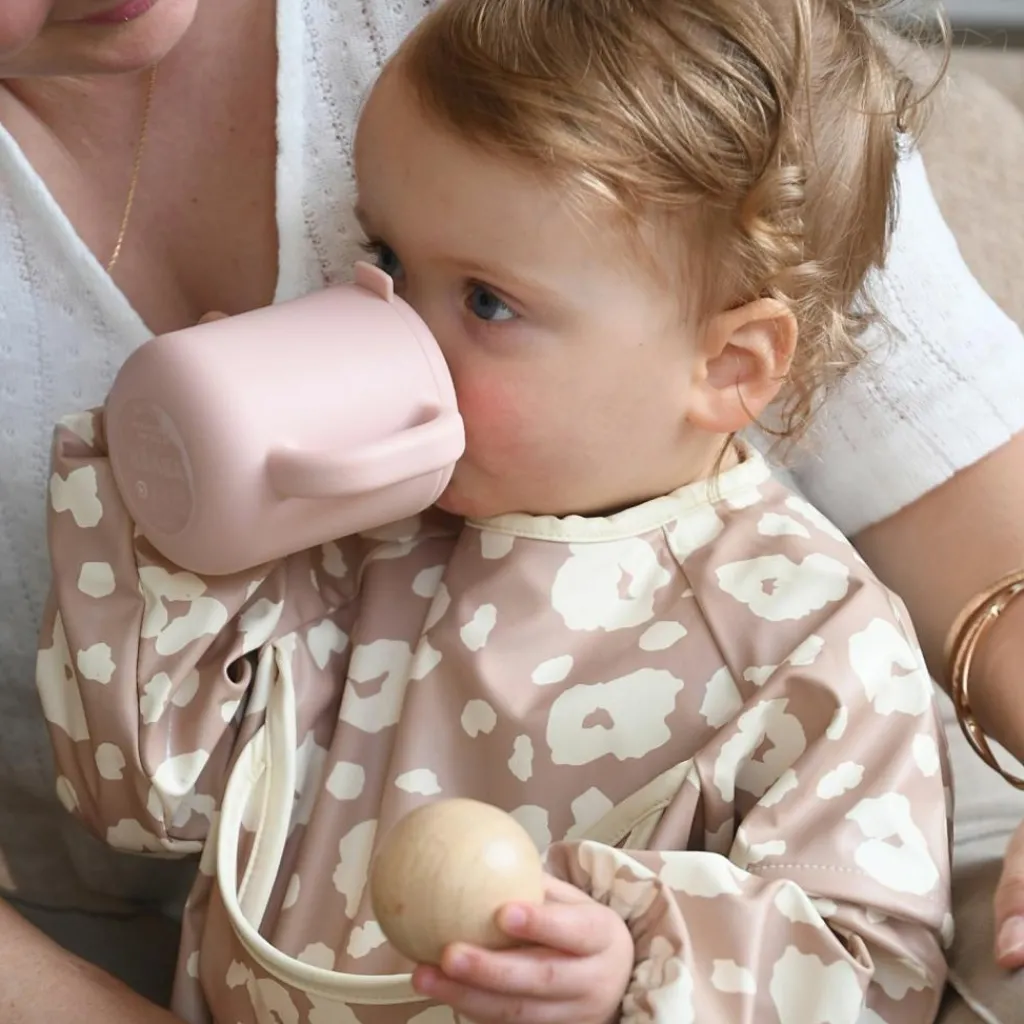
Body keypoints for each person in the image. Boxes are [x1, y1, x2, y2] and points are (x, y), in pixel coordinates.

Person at [0, 0, 1022, 1018]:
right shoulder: (357, 536)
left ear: (726, 364)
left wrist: (635, 969)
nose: (395, 326)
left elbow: (867, 969)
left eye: (486, 303)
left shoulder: (807, 641)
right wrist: (179, 522)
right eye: (388, 259)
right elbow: (141, 799)